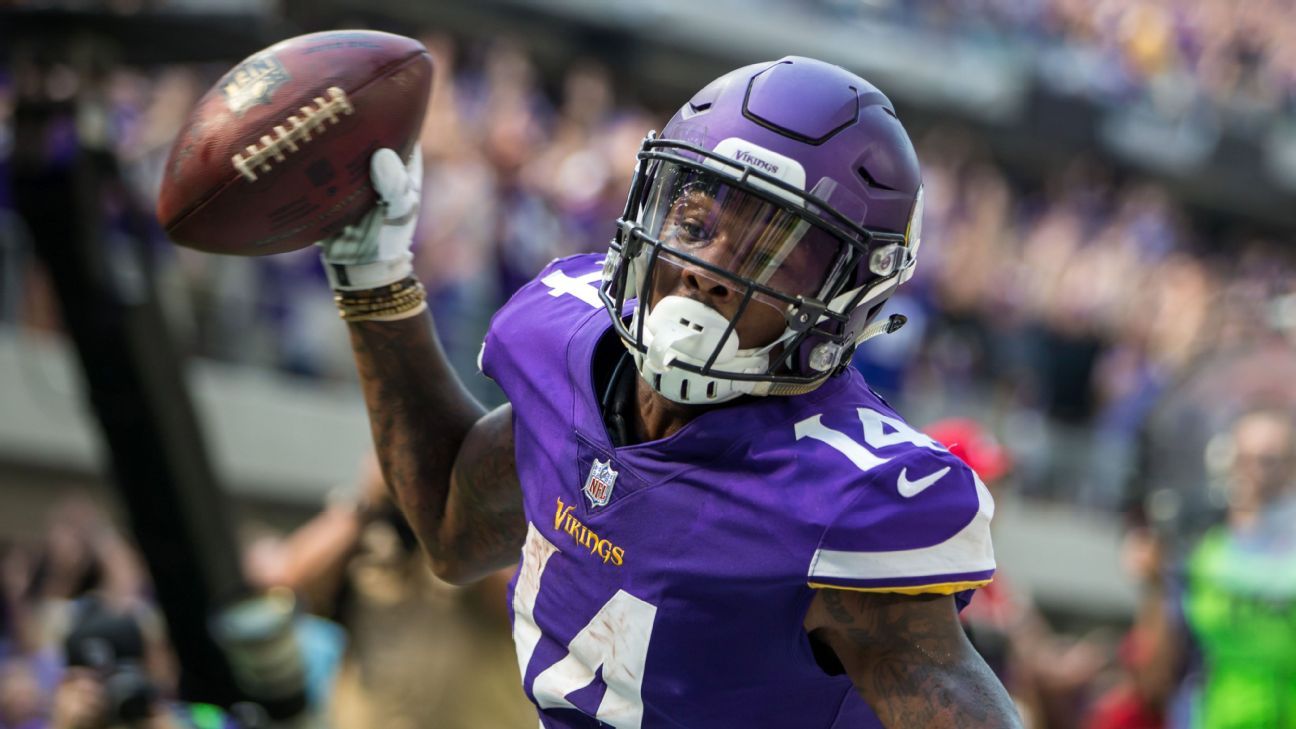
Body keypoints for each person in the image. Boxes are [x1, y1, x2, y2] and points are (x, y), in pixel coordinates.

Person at [315, 56, 1019, 727]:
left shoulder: (838, 497)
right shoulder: (568, 346)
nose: (709, 269)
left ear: (848, 298)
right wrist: (375, 275)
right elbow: (452, 528)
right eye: (695, 224)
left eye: (775, 254)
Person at [1129, 408, 1296, 729]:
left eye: (1268, 460)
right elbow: (1158, 663)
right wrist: (1152, 583)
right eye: (1241, 458)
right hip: (1208, 713)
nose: (1252, 472)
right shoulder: (1198, 545)